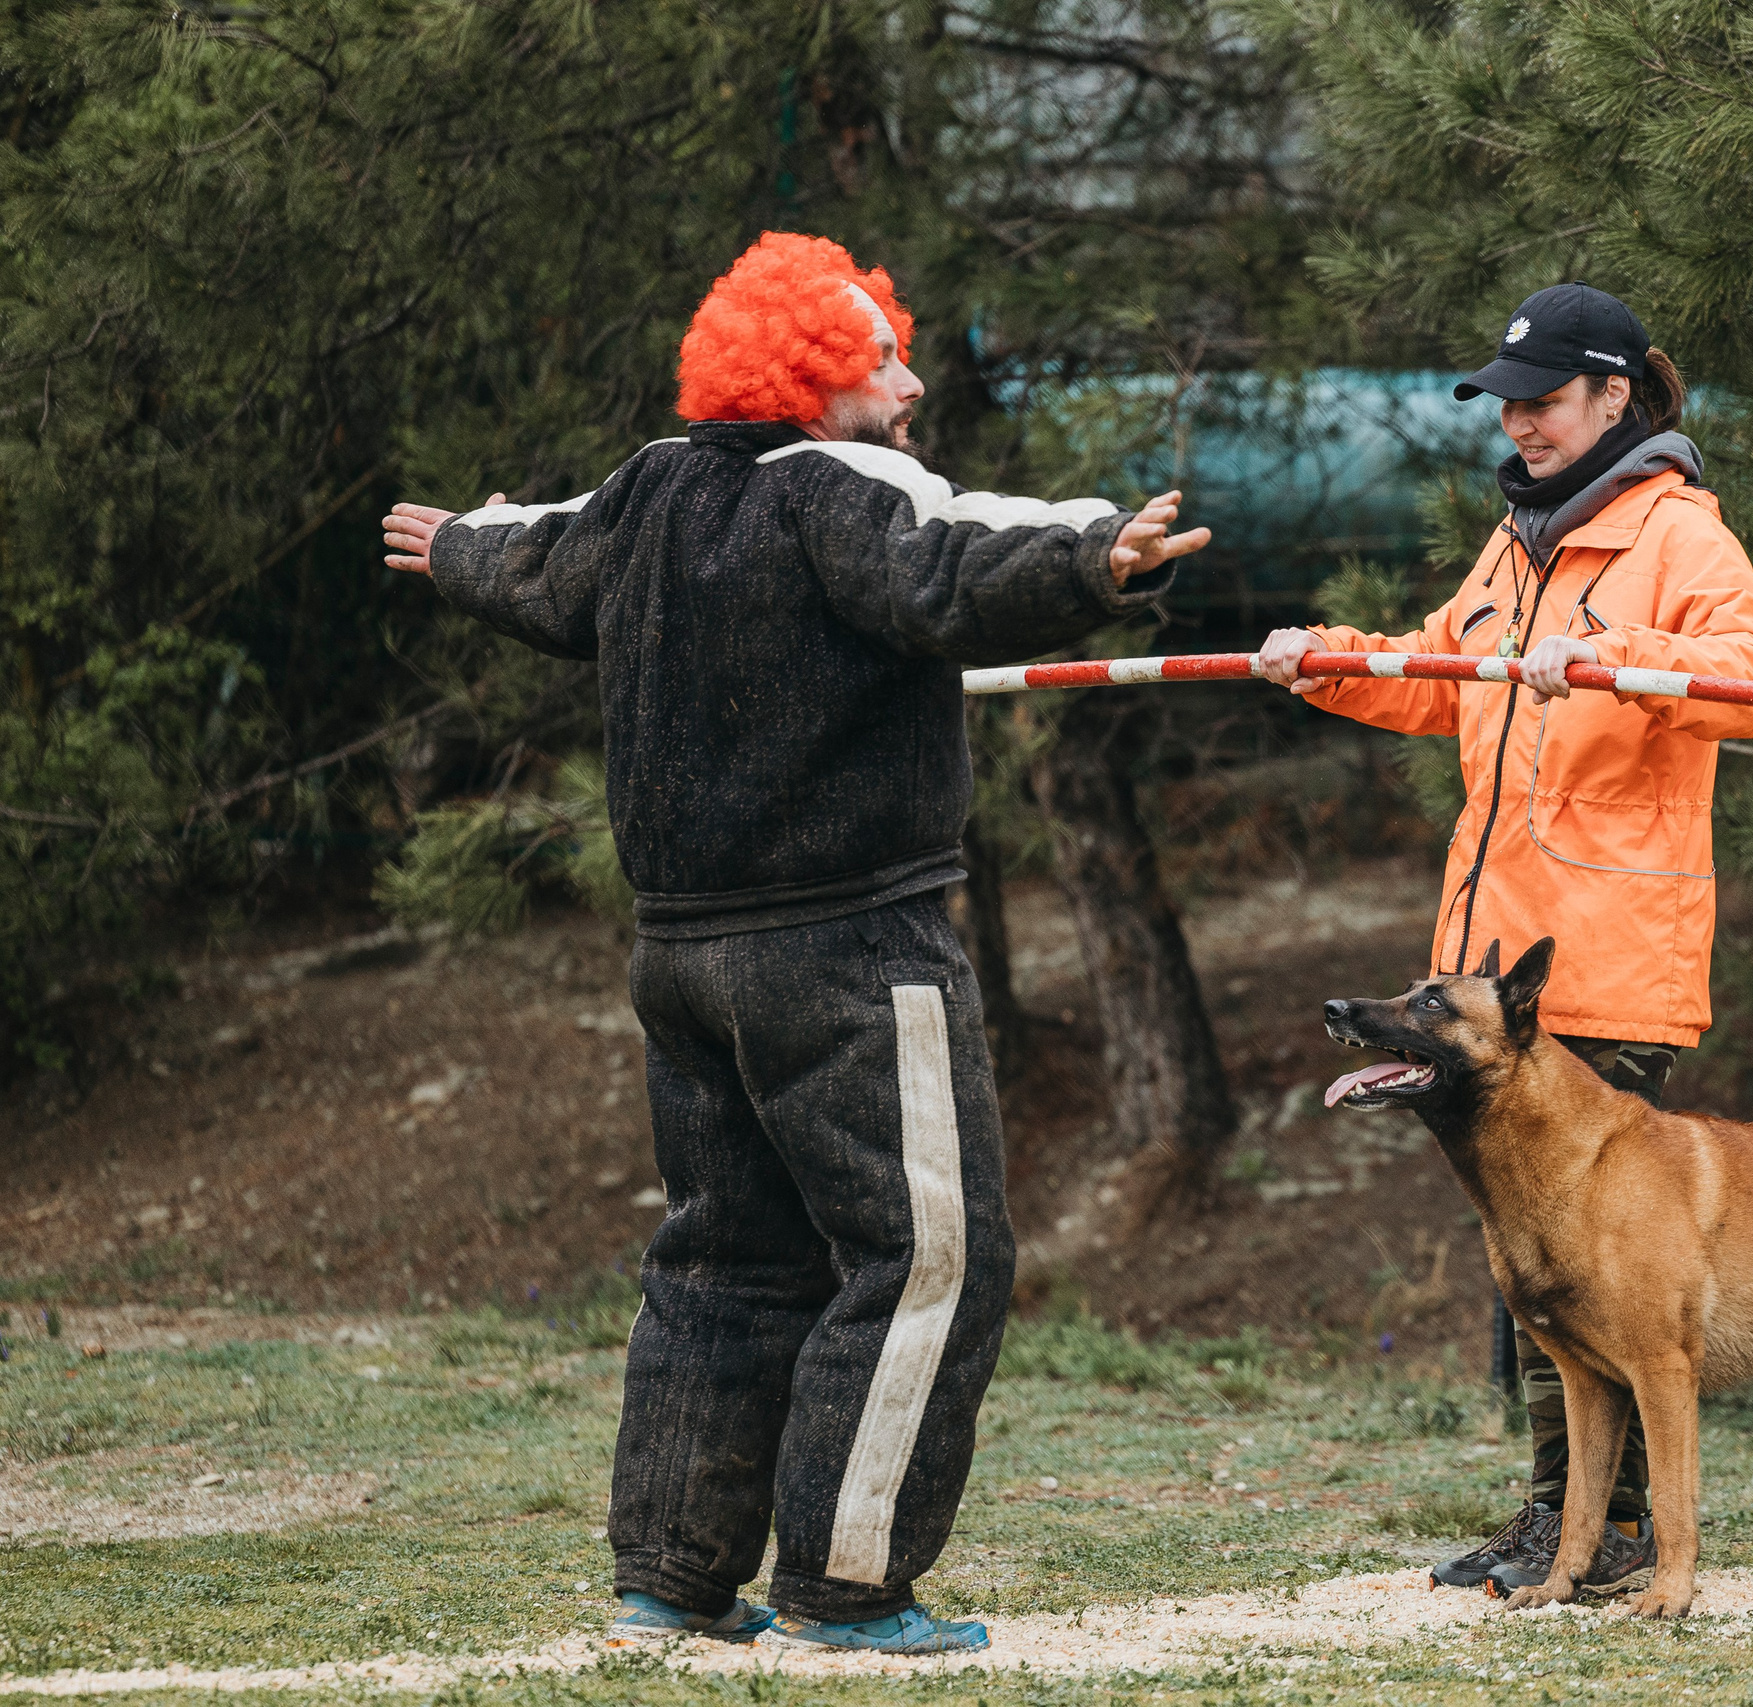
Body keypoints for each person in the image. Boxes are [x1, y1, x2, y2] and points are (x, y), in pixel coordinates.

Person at [380, 233, 1208, 1654]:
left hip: (682, 961)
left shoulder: (650, 489)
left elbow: (539, 564)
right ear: (814, 382)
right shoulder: (850, 487)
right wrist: (1095, 560)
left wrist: (459, 545)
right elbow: (945, 571)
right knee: (931, 1257)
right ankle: (848, 1587)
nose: (912, 377)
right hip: (848, 949)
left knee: (724, 1260)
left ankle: (672, 1583)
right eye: (884, 356)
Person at [1257, 281, 1753, 1597]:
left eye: (1546, 401)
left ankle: (1594, 1537)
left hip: (1606, 971)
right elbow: (1435, 672)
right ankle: (1562, 1525)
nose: (1525, 423)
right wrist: (1319, 659)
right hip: (1493, 979)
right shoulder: (1518, 543)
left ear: (1615, 397)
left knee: (1588, 1278)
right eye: (1511, 403)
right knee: (1533, 1279)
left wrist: (1621, 652)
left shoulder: (1679, 534)